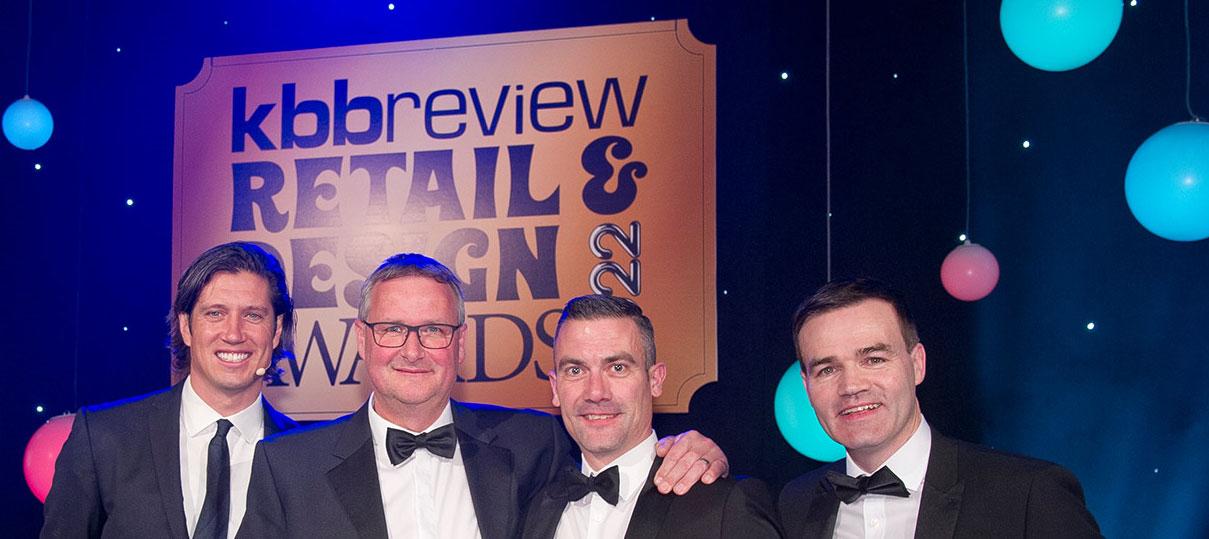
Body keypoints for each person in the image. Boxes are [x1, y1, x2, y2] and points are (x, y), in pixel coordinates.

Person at [239, 253, 730, 539]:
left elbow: (617, 457)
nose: (413, 350)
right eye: (392, 329)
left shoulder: (534, 443)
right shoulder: (288, 468)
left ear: (460, 343)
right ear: (362, 339)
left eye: (434, 329)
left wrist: (696, 452)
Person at [778, 278, 1101, 538]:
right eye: (828, 370)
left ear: (917, 364)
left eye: (874, 359)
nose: (851, 386)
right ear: (806, 387)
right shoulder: (795, 503)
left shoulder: (1028, 494)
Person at [41, 242, 299, 539]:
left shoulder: (305, 458)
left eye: (253, 315)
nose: (233, 333)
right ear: (186, 326)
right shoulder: (103, 438)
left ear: (276, 330)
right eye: (215, 313)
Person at [521, 294, 782, 538]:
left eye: (617, 367)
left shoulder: (724, 506)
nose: (596, 392)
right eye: (575, 370)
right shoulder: (529, 509)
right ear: (555, 388)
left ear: (655, 380)